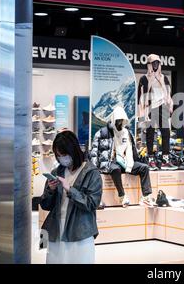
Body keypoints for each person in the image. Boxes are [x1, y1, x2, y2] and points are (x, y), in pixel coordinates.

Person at [40, 130, 102, 264]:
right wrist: (50, 190)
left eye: (64, 154)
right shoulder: (57, 172)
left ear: (73, 150)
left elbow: (92, 203)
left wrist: (70, 189)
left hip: (79, 231)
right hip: (57, 227)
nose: (62, 158)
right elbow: (45, 205)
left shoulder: (91, 173)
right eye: (58, 155)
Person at [90, 106, 155, 207]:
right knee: (115, 169)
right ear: (113, 119)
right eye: (118, 120)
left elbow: (130, 148)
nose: (119, 123)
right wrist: (95, 168)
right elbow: (94, 152)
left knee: (144, 168)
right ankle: (122, 196)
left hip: (124, 162)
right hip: (109, 162)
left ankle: (146, 197)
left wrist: (130, 165)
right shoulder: (102, 133)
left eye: (121, 121)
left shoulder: (126, 133)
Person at [137, 54, 176, 170]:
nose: (155, 65)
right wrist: (142, 114)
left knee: (166, 133)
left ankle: (165, 160)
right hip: (150, 108)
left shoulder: (164, 78)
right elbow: (141, 97)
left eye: (157, 63)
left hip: (162, 106)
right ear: (148, 64)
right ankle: (150, 160)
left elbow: (168, 93)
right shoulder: (144, 78)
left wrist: (170, 104)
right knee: (150, 134)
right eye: (153, 63)